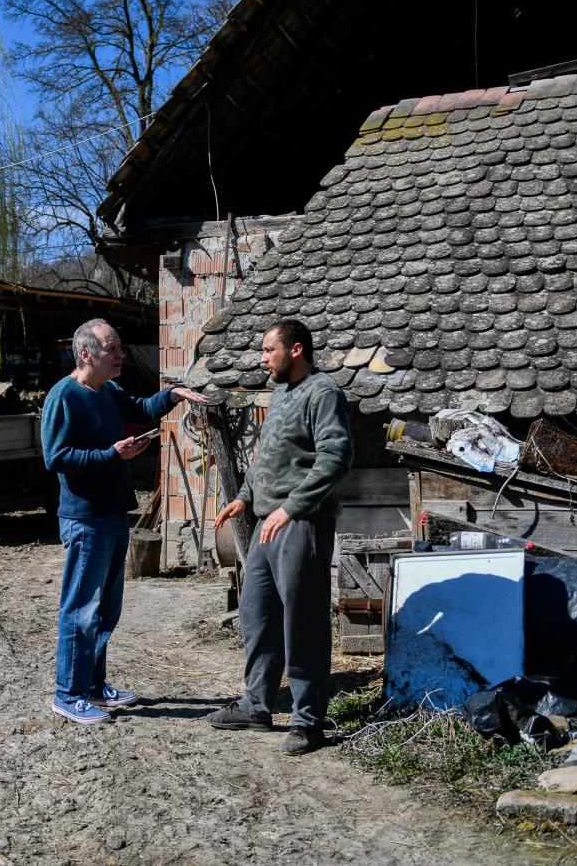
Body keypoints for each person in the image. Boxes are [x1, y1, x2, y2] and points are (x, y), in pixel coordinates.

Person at [42, 318, 209, 724]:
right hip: (86, 518)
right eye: (112, 348)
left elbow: (140, 408)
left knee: (105, 611)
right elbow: (56, 457)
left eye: (119, 347)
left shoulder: (107, 391)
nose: (121, 355)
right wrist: (110, 455)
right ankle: (68, 694)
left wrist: (172, 395)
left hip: (115, 513)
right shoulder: (63, 396)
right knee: (81, 610)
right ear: (86, 354)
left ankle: (94, 685)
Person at [205, 317, 352, 755]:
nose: (262, 358)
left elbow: (336, 457)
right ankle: (256, 705)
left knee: (303, 622)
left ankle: (309, 721)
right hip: (268, 523)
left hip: (301, 523)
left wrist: (292, 507)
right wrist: (245, 496)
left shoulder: (323, 393)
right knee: (257, 615)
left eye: (269, 350)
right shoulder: (283, 392)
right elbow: (267, 456)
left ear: (296, 349)